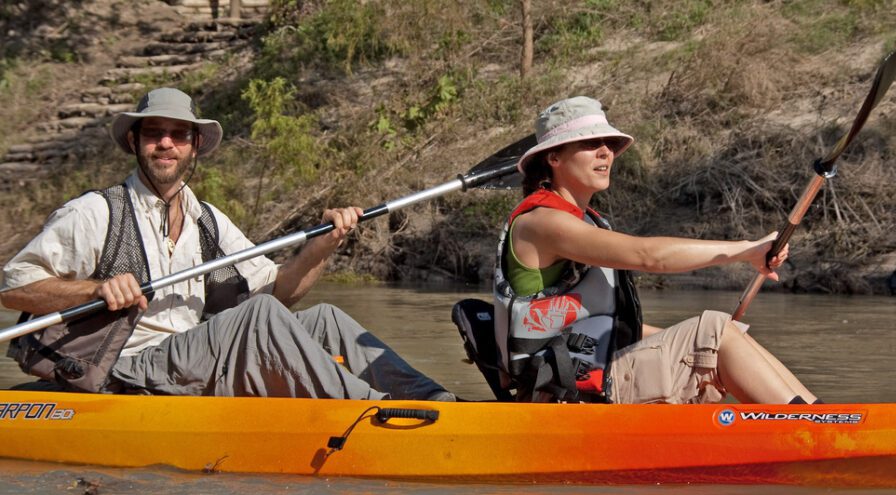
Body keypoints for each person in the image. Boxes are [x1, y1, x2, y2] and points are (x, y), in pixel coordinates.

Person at [1, 87, 454, 401]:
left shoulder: (210, 222)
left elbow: (280, 292)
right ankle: (379, 413)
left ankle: (435, 401)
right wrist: (93, 290)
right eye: (154, 133)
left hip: (191, 358)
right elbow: (13, 288)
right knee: (255, 317)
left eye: (178, 134)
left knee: (324, 319)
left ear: (194, 145)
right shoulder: (95, 213)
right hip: (125, 368)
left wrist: (325, 244)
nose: (166, 144)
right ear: (134, 142)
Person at [493, 96, 819, 405]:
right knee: (716, 331)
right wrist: (746, 250)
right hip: (565, 391)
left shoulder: (583, 222)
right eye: (591, 144)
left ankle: (822, 416)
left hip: (592, 375)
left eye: (609, 145)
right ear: (554, 158)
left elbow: (605, 325)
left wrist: (682, 341)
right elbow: (649, 256)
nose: (606, 153)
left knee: (723, 334)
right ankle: (815, 428)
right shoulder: (543, 223)